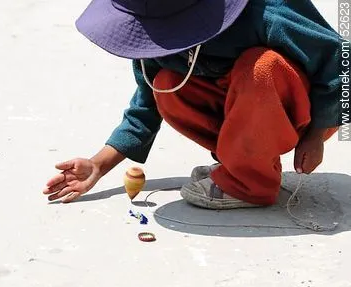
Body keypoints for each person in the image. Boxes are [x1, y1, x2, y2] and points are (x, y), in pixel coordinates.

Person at [43, 0, 341, 209]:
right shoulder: (151, 31)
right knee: (166, 84)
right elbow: (145, 105)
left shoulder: (263, 9)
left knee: (260, 67)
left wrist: (318, 135)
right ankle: (241, 160)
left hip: (299, 111)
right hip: (246, 113)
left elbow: (340, 59)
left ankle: (250, 185)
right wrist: (98, 164)